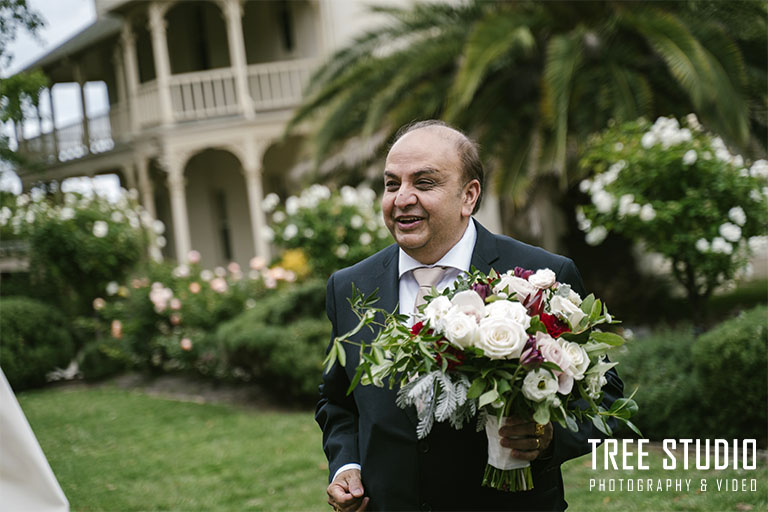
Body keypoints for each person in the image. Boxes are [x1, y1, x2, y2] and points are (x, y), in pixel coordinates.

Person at [316, 120, 623, 511]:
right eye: (392, 184)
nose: (402, 198)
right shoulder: (350, 287)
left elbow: (605, 394)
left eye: (424, 183)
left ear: (469, 196)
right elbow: (338, 403)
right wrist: (347, 465)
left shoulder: (542, 275)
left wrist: (546, 436)